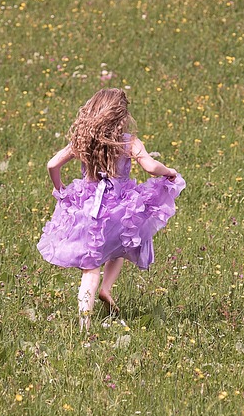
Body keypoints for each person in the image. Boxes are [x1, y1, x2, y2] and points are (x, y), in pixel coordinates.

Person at [37, 88, 185, 331]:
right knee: (120, 244)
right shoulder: (128, 142)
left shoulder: (83, 141)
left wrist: (60, 189)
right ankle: (106, 289)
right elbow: (149, 166)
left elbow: (52, 164)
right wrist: (168, 171)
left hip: (88, 206)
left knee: (90, 266)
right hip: (120, 206)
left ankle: (85, 324)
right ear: (121, 116)